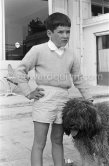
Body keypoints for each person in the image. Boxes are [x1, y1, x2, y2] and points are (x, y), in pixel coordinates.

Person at [15, 12, 93, 166]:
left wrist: (88, 98)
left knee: (58, 141)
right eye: (61, 32)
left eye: (68, 32)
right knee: (39, 143)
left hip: (63, 102)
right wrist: (28, 92)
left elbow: (78, 78)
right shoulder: (38, 50)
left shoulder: (71, 55)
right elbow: (20, 70)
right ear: (49, 33)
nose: (65, 35)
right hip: (44, 100)